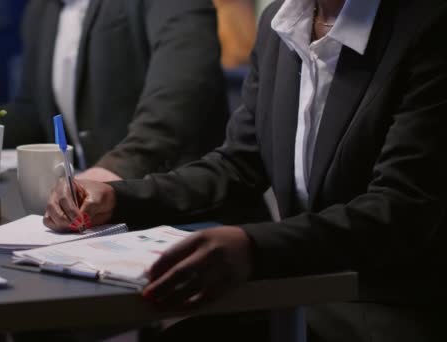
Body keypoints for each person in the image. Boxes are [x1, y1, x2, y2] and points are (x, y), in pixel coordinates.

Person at [44, 0, 447, 340]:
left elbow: (400, 209)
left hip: (393, 302)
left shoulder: (428, 26)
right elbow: (237, 164)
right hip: (303, 287)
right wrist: (118, 197)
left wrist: (254, 247)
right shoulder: (281, 23)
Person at [4, 0, 229, 182]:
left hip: (190, 208)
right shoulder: (42, 9)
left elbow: (182, 90)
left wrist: (122, 165)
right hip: (102, 213)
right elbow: (34, 113)